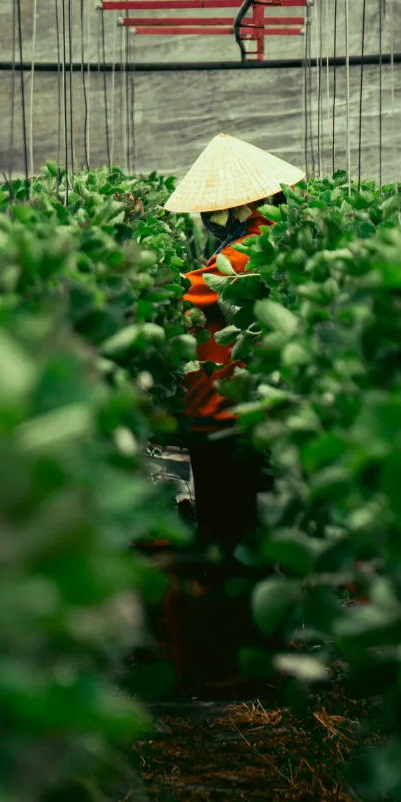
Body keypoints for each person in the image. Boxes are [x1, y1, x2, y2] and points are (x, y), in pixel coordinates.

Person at [163, 133, 305, 692]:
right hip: (227, 409)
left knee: (231, 539)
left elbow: (189, 295)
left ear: (240, 205)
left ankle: (244, 668)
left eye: (212, 209)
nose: (207, 217)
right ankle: (248, 657)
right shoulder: (254, 241)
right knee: (238, 536)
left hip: (227, 415)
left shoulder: (249, 250)